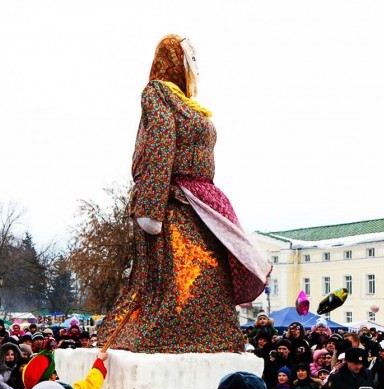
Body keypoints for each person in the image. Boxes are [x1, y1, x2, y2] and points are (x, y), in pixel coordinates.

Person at [97, 34, 270, 354]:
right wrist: (151, 206)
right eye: (191, 59)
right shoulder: (157, 93)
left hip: (201, 201)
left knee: (211, 277)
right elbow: (159, 146)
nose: (196, 68)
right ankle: (167, 337)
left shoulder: (189, 105)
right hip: (175, 203)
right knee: (188, 278)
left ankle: (212, 337)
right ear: (175, 62)